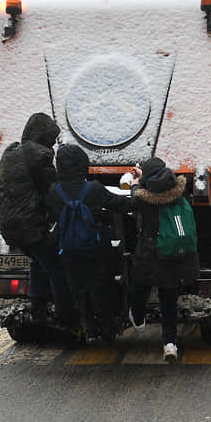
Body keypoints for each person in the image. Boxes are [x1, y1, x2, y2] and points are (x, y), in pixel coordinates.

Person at [44, 144, 133, 342]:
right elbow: (122, 205)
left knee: (77, 289)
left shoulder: (53, 192)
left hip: (67, 250)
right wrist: (137, 192)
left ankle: (87, 327)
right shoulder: (93, 189)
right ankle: (107, 329)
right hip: (94, 250)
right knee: (99, 287)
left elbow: (49, 217)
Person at [0, 112, 72, 322]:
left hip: (8, 223)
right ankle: (65, 313)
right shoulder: (39, 155)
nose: (53, 143)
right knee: (56, 266)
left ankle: (38, 306)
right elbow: (52, 190)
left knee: (39, 262)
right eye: (51, 137)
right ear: (44, 135)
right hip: (29, 223)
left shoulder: (11, 152)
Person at [129, 157, 199, 362]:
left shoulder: (144, 198)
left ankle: (139, 319)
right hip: (173, 256)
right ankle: (170, 344)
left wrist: (135, 183)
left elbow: (134, 198)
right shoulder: (181, 191)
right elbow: (158, 183)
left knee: (140, 286)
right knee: (169, 299)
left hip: (151, 254)